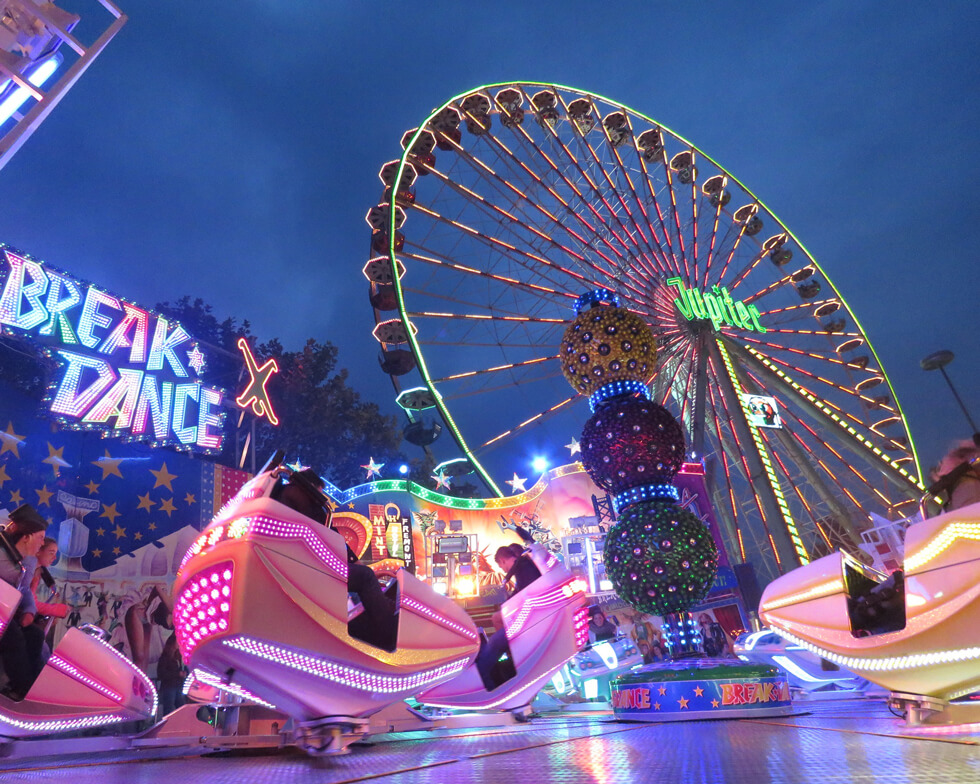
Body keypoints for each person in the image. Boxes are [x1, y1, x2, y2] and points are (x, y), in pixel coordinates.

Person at [279, 468, 397, 650]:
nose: (319, 497)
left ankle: (367, 629)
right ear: (310, 486)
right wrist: (352, 560)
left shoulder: (285, 497)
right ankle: (390, 636)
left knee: (357, 578)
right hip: (306, 567)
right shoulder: (300, 496)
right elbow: (329, 535)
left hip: (298, 563)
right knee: (365, 576)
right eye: (319, 492)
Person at [475, 543, 542, 689]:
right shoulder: (522, 568)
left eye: (501, 566)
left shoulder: (523, 569)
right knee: (497, 620)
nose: (502, 570)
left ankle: (482, 679)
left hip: (529, 621)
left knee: (494, 643)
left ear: (503, 561)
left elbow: (527, 596)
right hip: (527, 618)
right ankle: (510, 656)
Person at [0, 504, 49, 700]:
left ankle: (33, 688)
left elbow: (24, 589)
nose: (42, 544)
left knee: (35, 634)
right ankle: (21, 690)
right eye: (41, 538)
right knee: (12, 635)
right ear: (26, 537)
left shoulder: (27, 561)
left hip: (7, 612)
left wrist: (29, 610)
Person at [930, 439, 980, 512]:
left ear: (960, 461)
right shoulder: (959, 487)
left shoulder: (966, 489)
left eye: (942, 463)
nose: (940, 465)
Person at [157, 632, 186, 716]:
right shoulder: (165, 658)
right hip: (169, 686)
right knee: (169, 709)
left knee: (181, 708)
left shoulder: (178, 656)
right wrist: (177, 674)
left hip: (178, 686)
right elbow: (161, 674)